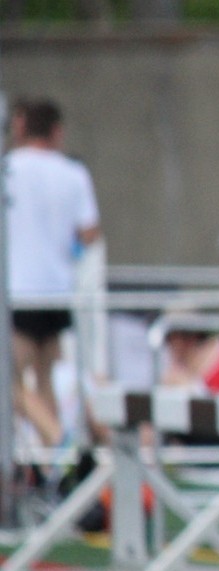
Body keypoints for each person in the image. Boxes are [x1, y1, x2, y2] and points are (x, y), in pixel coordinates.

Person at [6, 97, 101, 449]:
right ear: (57, 131)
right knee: (45, 379)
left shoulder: (9, 169)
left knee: (9, 381)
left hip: (19, 292)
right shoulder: (73, 173)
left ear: (21, 127)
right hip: (57, 290)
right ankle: (54, 468)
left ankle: (60, 440)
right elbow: (90, 232)